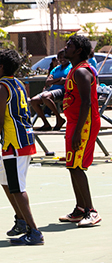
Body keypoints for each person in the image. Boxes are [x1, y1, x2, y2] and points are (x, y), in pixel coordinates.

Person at [0, 49, 43, 246]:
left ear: (1, 66)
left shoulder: (0, 88)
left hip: (15, 143)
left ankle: (35, 232)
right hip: (20, 139)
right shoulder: (18, 84)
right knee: (3, 178)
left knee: (17, 187)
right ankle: (21, 220)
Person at [58, 35, 102, 227]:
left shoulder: (82, 72)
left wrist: (77, 132)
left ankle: (91, 211)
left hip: (83, 125)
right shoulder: (74, 70)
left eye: (70, 46)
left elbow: (86, 102)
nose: (66, 47)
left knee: (77, 167)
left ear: (78, 51)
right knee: (71, 166)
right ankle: (80, 209)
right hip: (74, 123)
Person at [30, 49, 70, 131]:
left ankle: (59, 119)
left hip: (63, 90)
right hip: (51, 90)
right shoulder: (55, 69)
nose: (62, 59)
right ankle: (46, 124)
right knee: (33, 100)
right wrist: (59, 79)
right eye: (60, 57)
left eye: (65, 57)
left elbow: (66, 81)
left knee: (46, 97)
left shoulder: (71, 67)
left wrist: (55, 81)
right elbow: (48, 81)